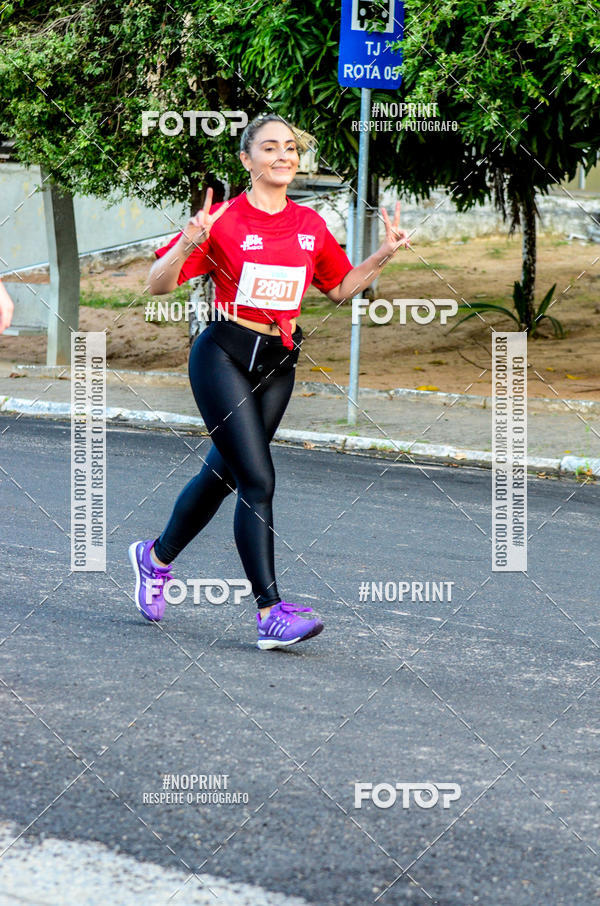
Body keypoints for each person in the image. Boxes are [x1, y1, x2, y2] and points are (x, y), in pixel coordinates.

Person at [129, 113, 409, 650]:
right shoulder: (225, 221)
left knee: (226, 475)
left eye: (291, 149)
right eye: (270, 148)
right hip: (224, 353)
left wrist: (383, 254)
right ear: (246, 160)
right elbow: (156, 283)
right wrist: (190, 239)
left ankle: (155, 557)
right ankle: (269, 613)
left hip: (278, 360)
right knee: (258, 479)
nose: (284, 156)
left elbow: (341, 289)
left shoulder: (309, 224)